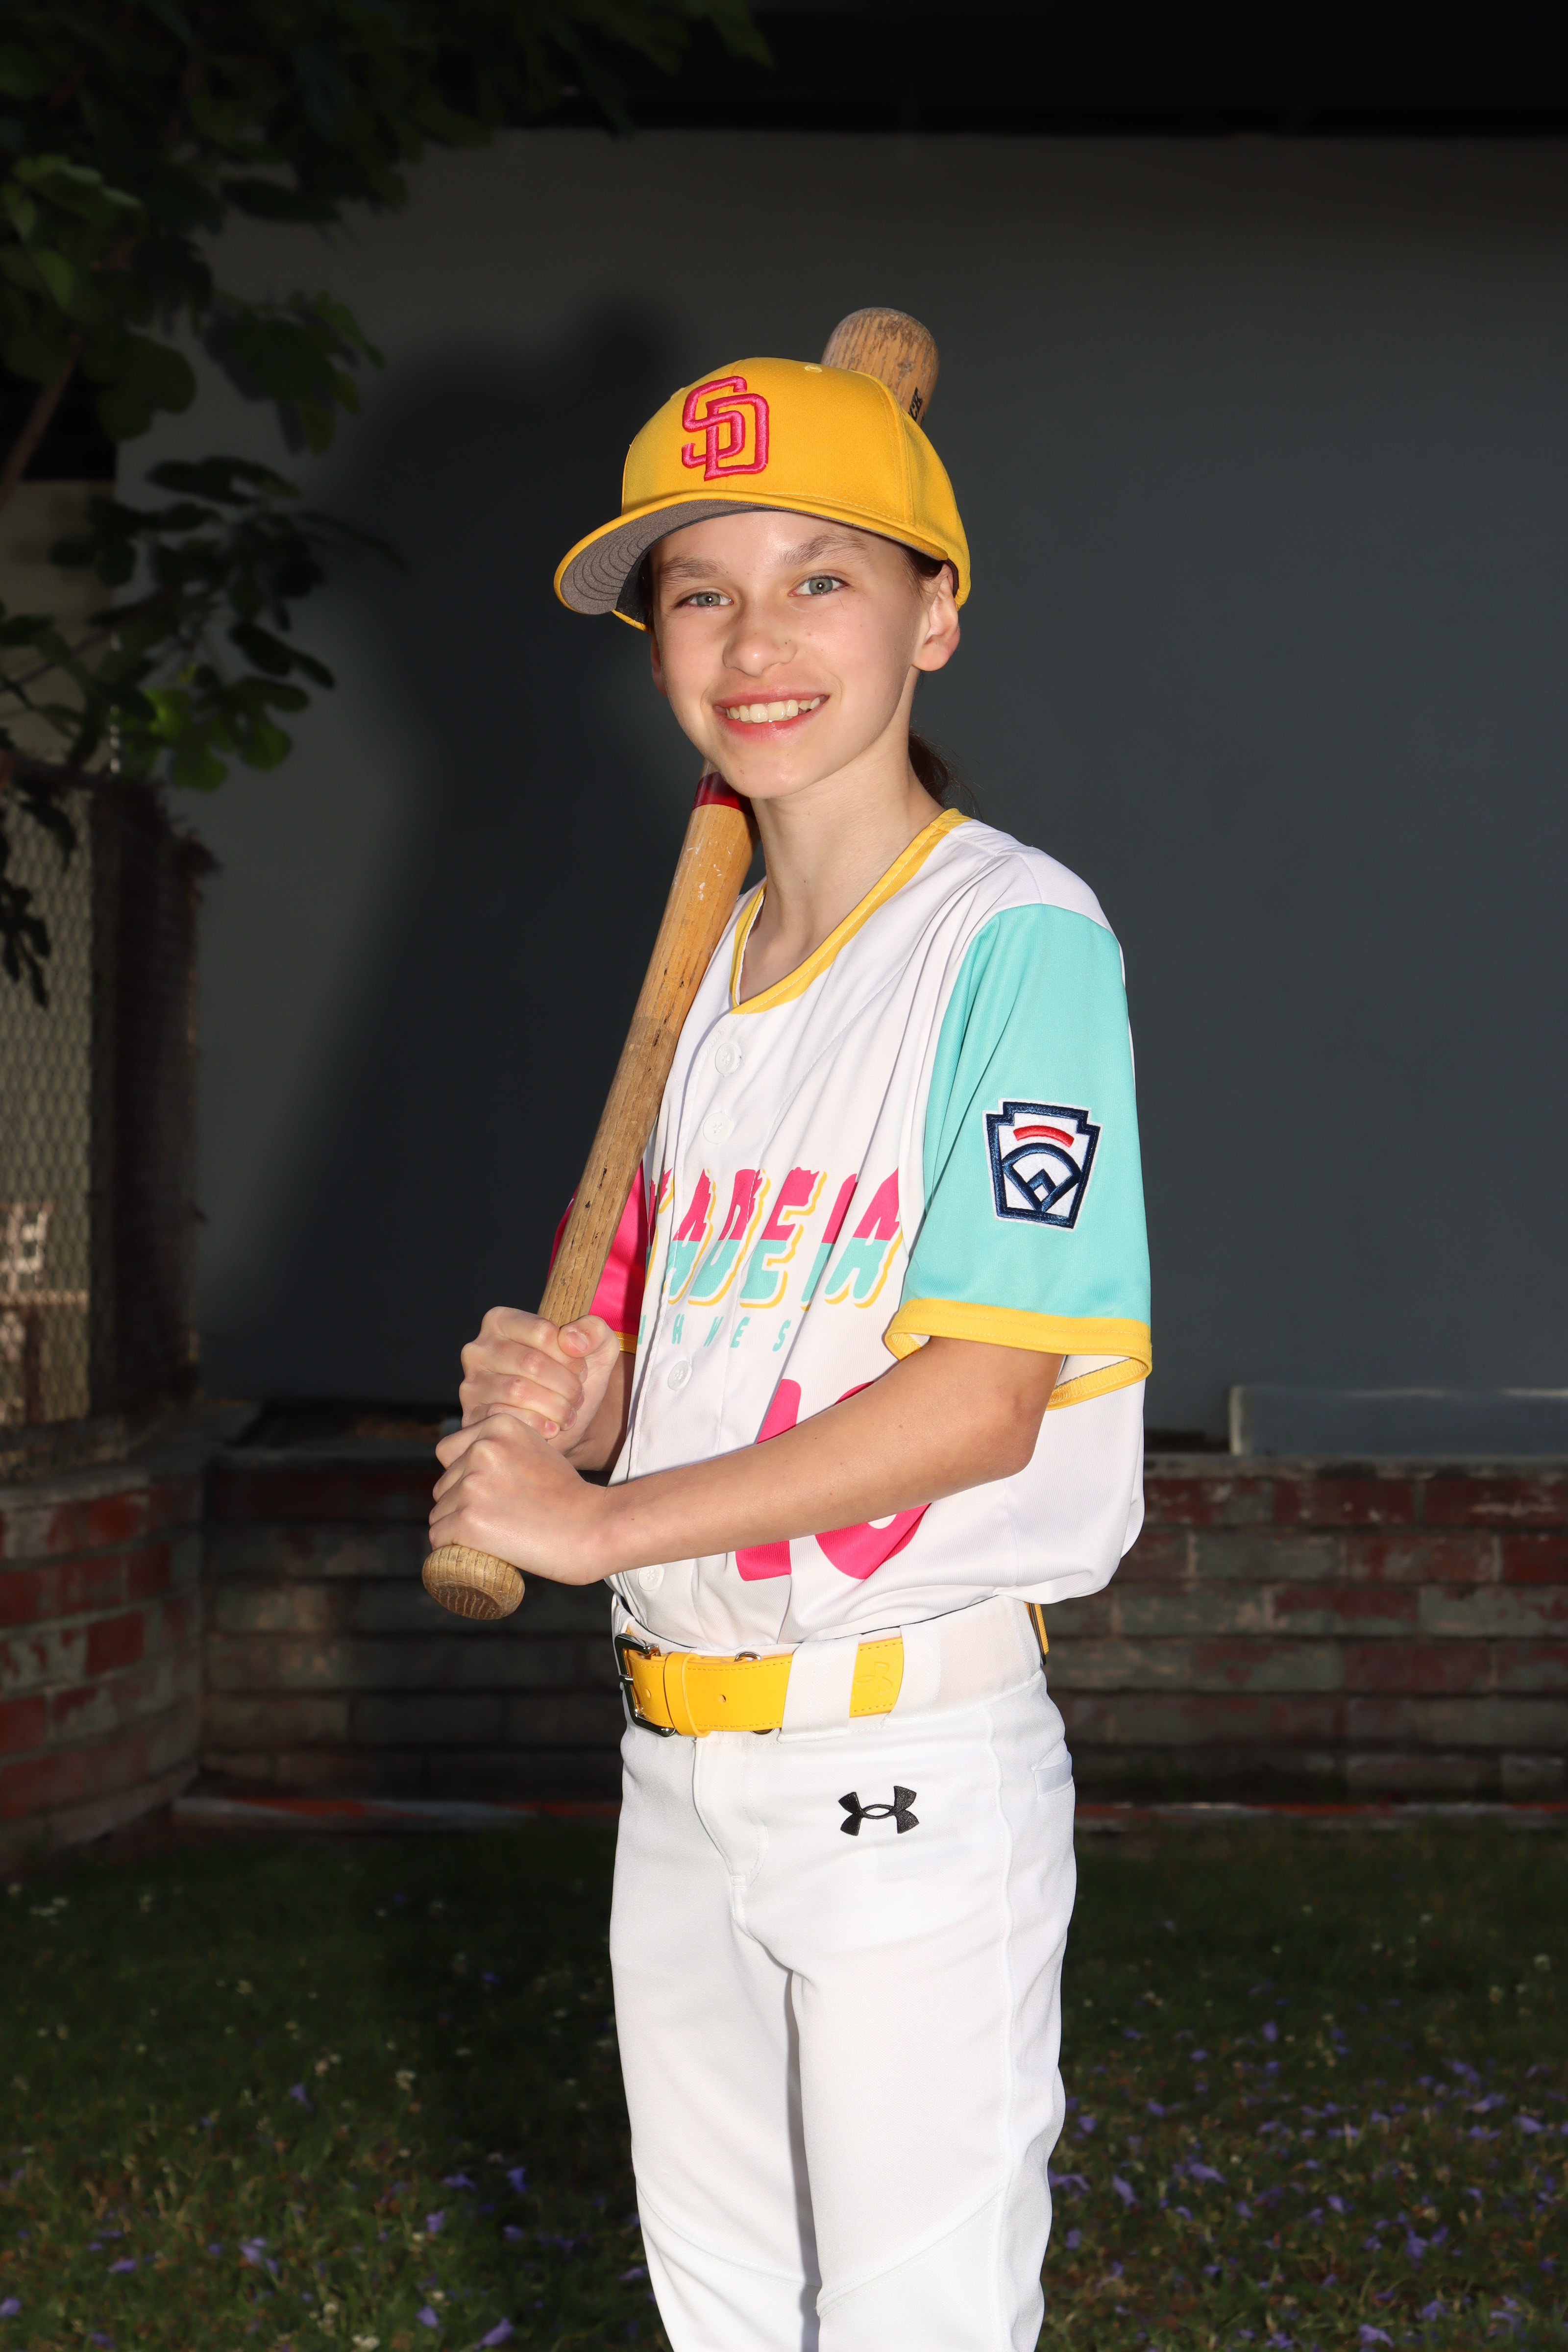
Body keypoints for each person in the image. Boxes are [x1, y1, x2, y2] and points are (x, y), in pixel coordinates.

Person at [429, 353, 1151, 2352]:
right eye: (701, 591)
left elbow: (977, 1400)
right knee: (731, 2320)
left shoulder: (1013, 940)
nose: (754, 644)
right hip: (681, 1758)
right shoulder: (717, 989)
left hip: (898, 1759)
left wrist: (595, 1521)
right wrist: (596, 1408)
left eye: (821, 580)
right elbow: (737, 1349)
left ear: (936, 617)